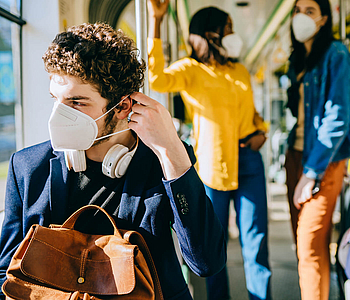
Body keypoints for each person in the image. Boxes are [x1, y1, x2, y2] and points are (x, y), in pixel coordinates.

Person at [0, 22, 227, 300]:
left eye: (77, 103)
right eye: (55, 100)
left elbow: (207, 263)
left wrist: (172, 151)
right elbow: (5, 273)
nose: (59, 116)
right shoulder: (28, 168)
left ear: (122, 107)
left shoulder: (163, 161)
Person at [147, 1, 271, 299]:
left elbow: (251, 113)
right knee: (214, 249)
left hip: (249, 161)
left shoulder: (240, 70)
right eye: (228, 27)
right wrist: (157, 21)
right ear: (211, 33)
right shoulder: (191, 70)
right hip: (213, 166)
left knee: (256, 244)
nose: (232, 33)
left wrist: (262, 130)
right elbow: (156, 78)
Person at [285, 0, 350, 299]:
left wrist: (311, 173)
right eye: (297, 10)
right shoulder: (299, 59)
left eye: (310, 11)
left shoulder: (336, 53)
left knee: (308, 244)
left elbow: (338, 118)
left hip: (322, 162)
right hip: (295, 156)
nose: (301, 17)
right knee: (312, 245)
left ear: (324, 19)